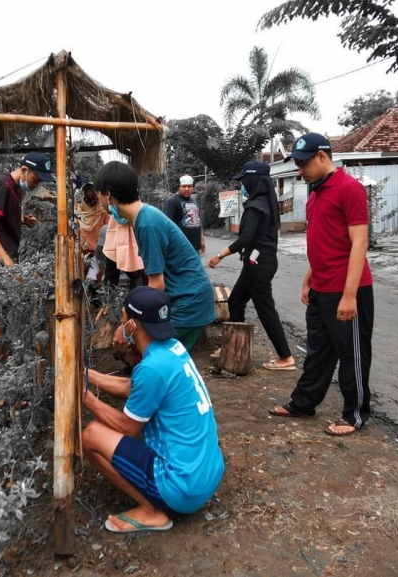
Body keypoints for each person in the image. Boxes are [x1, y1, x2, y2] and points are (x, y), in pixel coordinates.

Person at [82, 286, 224, 533]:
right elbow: (134, 386)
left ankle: (150, 511)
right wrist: (88, 375)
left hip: (182, 486)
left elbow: (128, 427)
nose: (121, 322)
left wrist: (85, 397)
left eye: (124, 318)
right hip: (206, 474)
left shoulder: (152, 368)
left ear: (133, 326)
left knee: (91, 435)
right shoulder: (171, 349)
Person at [268, 133, 374, 437]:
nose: (300, 170)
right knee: (318, 351)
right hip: (321, 287)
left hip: (347, 289)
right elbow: (324, 240)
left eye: (303, 163)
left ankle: (355, 414)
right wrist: (309, 277)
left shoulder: (349, 189)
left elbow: (359, 243)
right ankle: (304, 403)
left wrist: (350, 295)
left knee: (352, 352)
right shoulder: (315, 192)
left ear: (322, 157)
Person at [94, 161, 216, 351]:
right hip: (185, 299)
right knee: (162, 364)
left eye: (98, 193)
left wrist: (128, 324)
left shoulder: (147, 224)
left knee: (160, 363)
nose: (98, 199)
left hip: (188, 303)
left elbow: (156, 285)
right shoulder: (143, 217)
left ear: (108, 194)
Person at [208, 161, 295, 371]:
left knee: (266, 310)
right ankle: (235, 344)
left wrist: (220, 255)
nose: (242, 186)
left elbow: (246, 239)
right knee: (236, 301)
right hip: (255, 262)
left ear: (254, 181)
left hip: (259, 264)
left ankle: (286, 357)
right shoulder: (265, 201)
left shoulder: (257, 206)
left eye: (244, 182)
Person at [0, 152, 54, 364]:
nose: (36, 185)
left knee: (4, 320)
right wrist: (7, 263)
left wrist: (22, 220)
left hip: (1, 264)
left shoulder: (15, 188)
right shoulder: (1, 186)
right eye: (36, 179)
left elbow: (1, 216)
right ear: (24, 170)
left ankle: (4, 366)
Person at [163, 175, 206, 255]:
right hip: (180, 247)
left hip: (195, 247)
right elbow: (166, 224)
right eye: (184, 186)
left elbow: (198, 220)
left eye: (189, 186)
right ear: (179, 187)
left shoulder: (194, 201)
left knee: (195, 267)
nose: (186, 189)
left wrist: (201, 238)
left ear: (193, 187)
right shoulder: (172, 201)